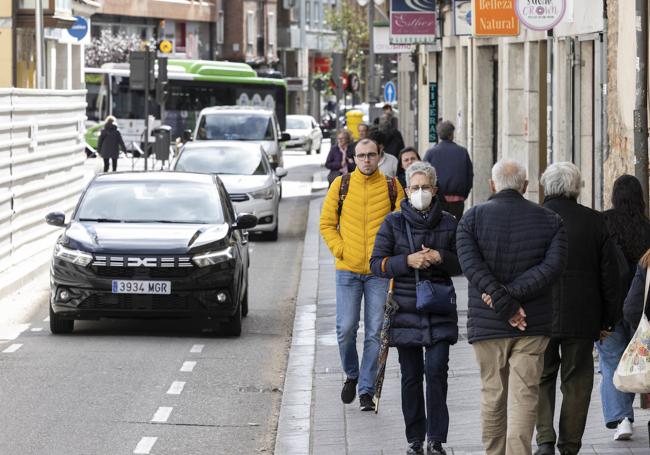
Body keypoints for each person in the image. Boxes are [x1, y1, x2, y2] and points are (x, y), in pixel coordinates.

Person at [456, 159, 568, 455]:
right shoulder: (550, 220)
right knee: (524, 396)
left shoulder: (471, 219)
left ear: (492, 185)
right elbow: (552, 267)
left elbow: (471, 267)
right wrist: (512, 300)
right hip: (532, 322)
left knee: (492, 394)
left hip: (487, 323)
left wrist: (501, 299)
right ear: (526, 186)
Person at [370, 161, 460, 455]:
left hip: (438, 307)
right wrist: (407, 261)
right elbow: (377, 264)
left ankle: (436, 438)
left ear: (435, 190)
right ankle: (415, 438)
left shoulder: (449, 222)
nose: (420, 192)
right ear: (406, 190)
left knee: (436, 371)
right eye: (414, 188)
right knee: (410, 375)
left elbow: (463, 262)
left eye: (425, 187)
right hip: (405, 309)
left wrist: (439, 257)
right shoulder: (393, 223)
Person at [534, 162, 620, 455]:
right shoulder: (595, 222)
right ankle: (569, 445)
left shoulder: (534, 218)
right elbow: (611, 274)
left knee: (542, 376)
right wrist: (608, 319)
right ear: (576, 187)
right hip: (583, 316)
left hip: (540, 315)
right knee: (577, 380)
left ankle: (544, 438)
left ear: (546, 185)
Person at [320, 138, 405, 412]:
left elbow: (402, 226)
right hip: (347, 270)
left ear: (379, 156)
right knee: (345, 329)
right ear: (354, 159)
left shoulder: (393, 187)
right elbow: (326, 223)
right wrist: (341, 249)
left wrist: (391, 259)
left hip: (379, 272)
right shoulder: (341, 185)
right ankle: (352, 374)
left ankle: (366, 390)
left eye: (371, 155)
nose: (366, 160)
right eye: (361, 156)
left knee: (375, 333)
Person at [596, 174, 650, 440]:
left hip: (610, 306)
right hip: (640, 308)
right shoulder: (648, 227)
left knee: (611, 361)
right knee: (638, 359)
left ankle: (622, 419)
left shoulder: (603, 223)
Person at [424, 121, 473, 220]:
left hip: (436, 199)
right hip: (457, 199)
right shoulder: (462, 151)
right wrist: (464, 194)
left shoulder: (430, 153)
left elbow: (424, 175)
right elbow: (469, 174)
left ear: (439, 135)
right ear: (452, 135)